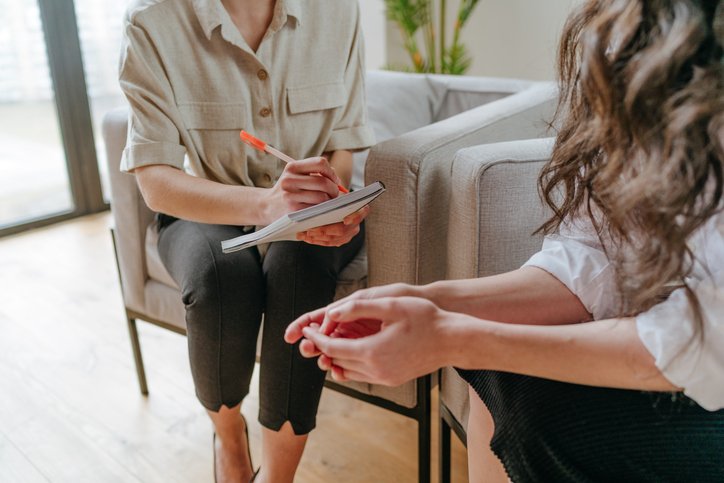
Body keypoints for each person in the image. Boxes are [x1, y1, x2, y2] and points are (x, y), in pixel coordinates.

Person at [286, 0, 724, 481]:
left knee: (522, 389)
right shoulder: (625, 36)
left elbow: (700, 340)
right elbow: (594, 252)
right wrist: (429, 299)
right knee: (500, 376)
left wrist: (453, 336)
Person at [119, 0, 373, 481]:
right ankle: (229, 437)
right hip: (205, 206)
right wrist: (265, 206)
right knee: (220, 276)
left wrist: (320, 201)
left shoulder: (338, 10)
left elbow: (344, 146)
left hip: (308, 212)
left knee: (299, 267)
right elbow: (155, 181)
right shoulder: (152, 22)